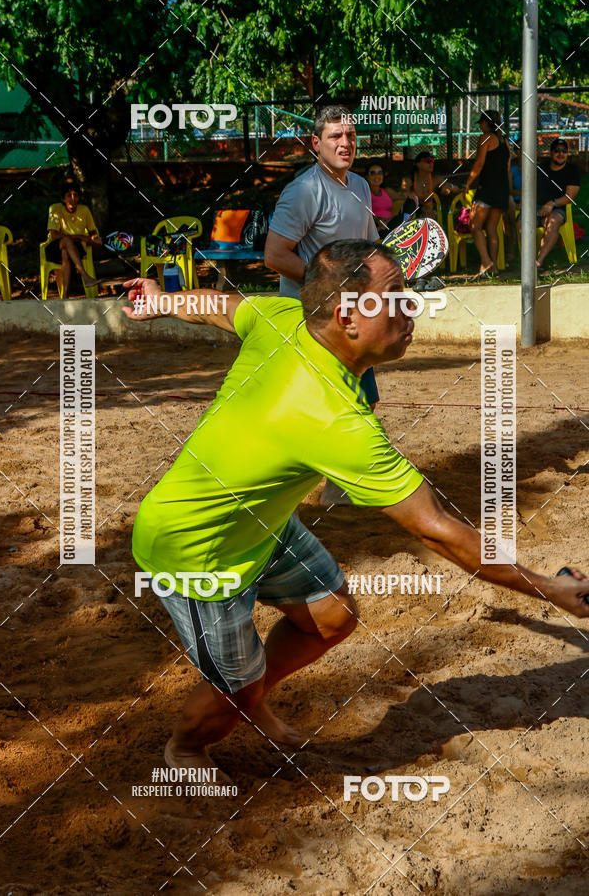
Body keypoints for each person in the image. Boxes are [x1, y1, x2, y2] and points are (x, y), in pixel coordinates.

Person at [123, 241, 589, 779]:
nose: (411, 308)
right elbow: (436, 531)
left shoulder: (283, 317)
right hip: (194, 549)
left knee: (331, 616)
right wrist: (548, 588)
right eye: (394, 297)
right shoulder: (333, 420)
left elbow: (225, 307)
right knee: (234, 685)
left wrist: (162, 299)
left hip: (258, 523)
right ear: (346, 316)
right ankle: (185, 752)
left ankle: (252, 700)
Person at [264, 104, 380, 503]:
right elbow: (275, 255)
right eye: (335, 136)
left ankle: (336, 487)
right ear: (316, 143)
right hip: (310, 319)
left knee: (362, 397)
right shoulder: (303, 191)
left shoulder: (361, 187)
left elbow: (368, 249)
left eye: (349, 135)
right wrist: (329, 286)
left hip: (350, 313)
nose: (344, 143)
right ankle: (289, 487)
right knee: (320, 404)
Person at [465, 110, 511, 277]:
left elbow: (479, 163)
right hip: (502, 188)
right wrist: (509, 190)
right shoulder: (504, 141)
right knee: (492, 228)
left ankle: (487, 262)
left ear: (487, 123)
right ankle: (494, 268)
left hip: (487, 188)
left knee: (474, 226)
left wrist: (468, 182)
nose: (480, 125)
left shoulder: (485, 138)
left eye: (481, 122)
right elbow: (507, 168)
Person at [46, 180, 100, 297]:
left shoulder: (84, 210)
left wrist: (94, 238)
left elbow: (92, 231)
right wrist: (79, 236)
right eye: (69, 196)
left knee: (66, 252)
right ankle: (85, 276)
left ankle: (65, 296)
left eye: (75, 195)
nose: (72, 198)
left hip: (76, 248)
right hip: (55, 248)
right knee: (66, 241)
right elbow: (54, 235)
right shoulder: (55, 209)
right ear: (63, 199)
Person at [534, 138, 580, 271]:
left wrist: (551, 203)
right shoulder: (541, 168)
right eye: (557, 150)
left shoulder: (572, 170)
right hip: (536, 208)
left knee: (553, 221)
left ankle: (538, 262)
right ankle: (526, 261)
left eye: (564, 151)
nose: (561, 153)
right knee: (521, 224)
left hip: (558, 209)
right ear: (550, 153)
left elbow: (569, 197)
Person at [402, 151, 461, 221]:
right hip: (412, 214)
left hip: (431, 213)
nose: (431, 163)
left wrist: (448, 187)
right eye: (428, 161)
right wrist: (422, 208)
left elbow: (455, 188)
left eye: (432, 161)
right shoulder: (409, 180)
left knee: (430, 214)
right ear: (418, 164)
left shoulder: (435, 179)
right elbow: (404, 199)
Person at [365, 163, 401, 232]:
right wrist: (378, 220)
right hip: (374, 227)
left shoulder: (387, 191)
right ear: (367, 176)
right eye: (372, 173)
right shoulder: (365, 193)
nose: (377, 176)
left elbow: (405, 196)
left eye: (380, 173)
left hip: (391, 224)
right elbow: (363, 213)